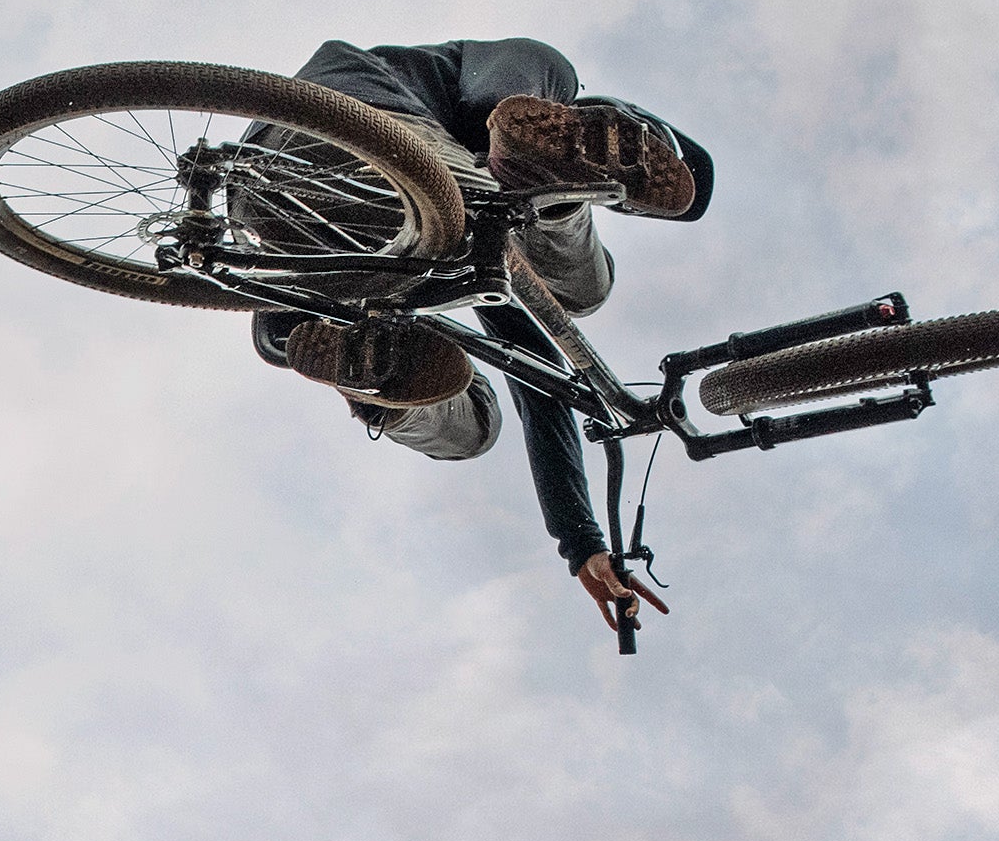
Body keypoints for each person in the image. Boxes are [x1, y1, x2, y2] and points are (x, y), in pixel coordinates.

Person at [250, 39, 712, 635]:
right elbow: (509, 82)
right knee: (583, 292)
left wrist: (581, 540)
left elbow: (544, 386)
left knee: (476, 422)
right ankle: (549, 197)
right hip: (387, 145)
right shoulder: (524, 72)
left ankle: (369, 365)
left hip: (270, 191)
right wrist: (578, 537)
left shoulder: (481, 246)